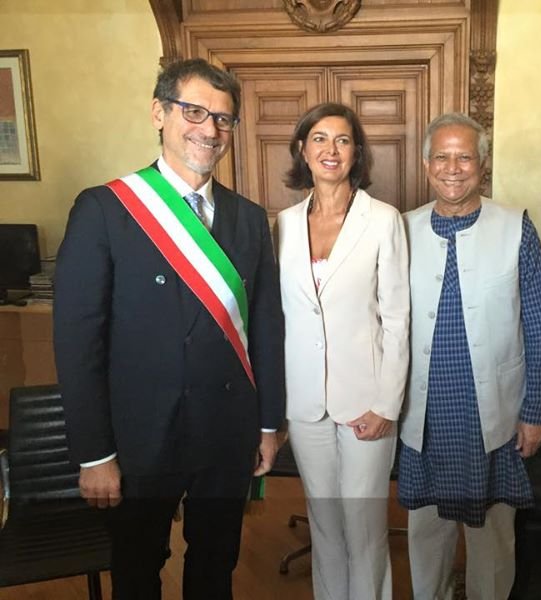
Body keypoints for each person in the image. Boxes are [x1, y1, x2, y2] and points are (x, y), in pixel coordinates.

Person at [53, 58, 285, 600]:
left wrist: (269, 424)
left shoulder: (250, 218)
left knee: (215, 566)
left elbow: (267, 329)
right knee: (136, 571)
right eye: (194, 111)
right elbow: (77, 342)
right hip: (139, 439)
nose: (209, 129)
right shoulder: (105, 210)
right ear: (159, 113)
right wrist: (94, 454)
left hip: (225, 432)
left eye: (223, 119)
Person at [399, 112, 541, 599]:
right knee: (426, 532)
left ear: (482, 164)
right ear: (426, 165)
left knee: (492, 534)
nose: (452, 167)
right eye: (441, 157)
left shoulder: (516, 229)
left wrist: (535, 412)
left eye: (464, 156)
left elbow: (540, 325)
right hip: (422, 413)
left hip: (494, 415)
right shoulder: (400, 230)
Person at [276, 102, 409, 600]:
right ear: (302, 150)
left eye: (343, 140)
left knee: (364, 523)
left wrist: (387, 404)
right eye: (319, 139)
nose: (330, 150)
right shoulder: (282, 224)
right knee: (324, 521)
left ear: (357, 153)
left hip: (366, 400)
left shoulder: (383, 220)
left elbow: (398, 319)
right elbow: (280, 318)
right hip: (305, 401)